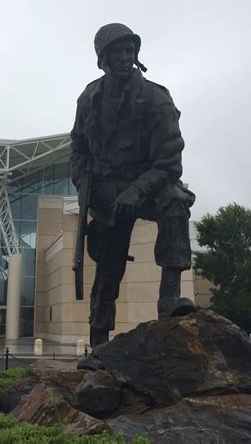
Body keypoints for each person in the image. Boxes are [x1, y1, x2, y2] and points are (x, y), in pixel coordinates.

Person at [70, 23, 196, 348]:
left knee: (174, 202)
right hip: (108, 193)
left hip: (149, 187)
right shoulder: (89, 98)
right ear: (103, 59)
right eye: (117, 52)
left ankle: (170, 299)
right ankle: (98, 338)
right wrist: (84, 184)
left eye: (130, 51)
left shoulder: (156, 98)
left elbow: (169, 164)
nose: (125, 57)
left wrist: (138, 189)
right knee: (109, 261)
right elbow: (78, 149)